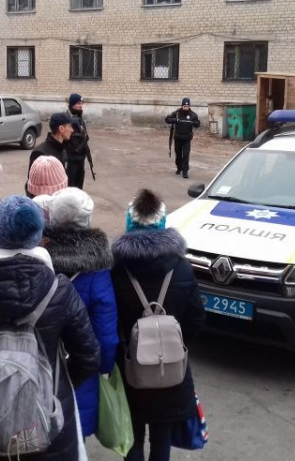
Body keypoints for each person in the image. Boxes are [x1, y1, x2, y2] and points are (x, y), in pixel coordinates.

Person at [0, 195, 101, 461]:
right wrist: (56, 384)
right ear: (38, 235)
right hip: (51, 424)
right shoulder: (59, 289)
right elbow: (88, 356)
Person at [110, 189, 205, 461]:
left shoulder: (116, 269)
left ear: (130, 224)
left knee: (133, 436)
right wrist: (175, 343)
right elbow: (197, 318)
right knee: (162, 436)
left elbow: (108, 319)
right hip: (171, 371)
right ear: (163, 224)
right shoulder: (182, 268)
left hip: (130, 371)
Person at [42, 188, 118, 439]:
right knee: (75, 440)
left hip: (41, 367)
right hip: (81, 370)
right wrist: (103, 366)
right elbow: (106, 334)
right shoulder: (98, 269)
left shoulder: (40, 257)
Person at [165, 98, 200, 179]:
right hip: (178, 137)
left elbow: (197, 124)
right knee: (178, 154)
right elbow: (167, 119)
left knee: (186, 155)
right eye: (184, 106)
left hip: (187, 138)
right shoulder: (177, 113)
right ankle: (179, 167)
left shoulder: (193, 115)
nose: (186, 108)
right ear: (182, 106)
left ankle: (185, 171)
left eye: (187, 106)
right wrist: (174, 120)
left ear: (189, 106)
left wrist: (193, 122)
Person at [65, 94, 91, 189]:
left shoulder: (80, 118)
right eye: (78, 103)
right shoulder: (67, 118)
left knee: (79, 186)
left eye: (81, 103)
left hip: (81, 158)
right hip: (71, 159)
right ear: (72, 105)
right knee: (70, 187)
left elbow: (84, 135)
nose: (81, 106)